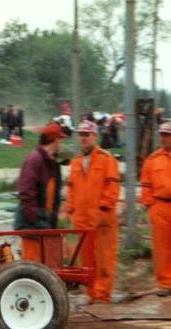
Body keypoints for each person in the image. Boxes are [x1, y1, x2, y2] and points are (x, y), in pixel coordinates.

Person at [65, 120, 121, 304]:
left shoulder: (106, 159)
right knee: (87, 259)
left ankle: (103, 295)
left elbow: (112, 185)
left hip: (102, 219)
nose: (83, 138)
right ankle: (91, 294)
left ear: (95, 136)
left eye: (86, 135)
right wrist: (70, 209)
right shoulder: (76, 162)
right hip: (82, 219)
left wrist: (104, 208)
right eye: (80, 135)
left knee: (105, 257)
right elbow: (71, 188)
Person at [14, 123, 67, 261]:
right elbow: (26, 193)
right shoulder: (34, 159)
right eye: (60, 139)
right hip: (32, 226)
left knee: (50, 266)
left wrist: (50, 222)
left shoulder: (52, 162)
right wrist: (37, 221)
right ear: (55, 140)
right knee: (34, 268)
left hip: (45, 224)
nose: (61, 143)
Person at [140, 121, 171, 296]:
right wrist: (150, 205)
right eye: (162, 135)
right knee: (161, 247)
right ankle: (166, 283)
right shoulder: (152, 160)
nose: (164, 138)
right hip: (159, 207)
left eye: (167, 135)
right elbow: (146, 184)